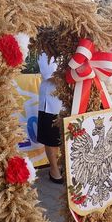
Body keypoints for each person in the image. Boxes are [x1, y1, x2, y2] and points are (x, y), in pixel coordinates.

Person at [36, 53, 64, 184]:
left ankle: (61, 165)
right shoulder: (46, 52)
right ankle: (54, 170)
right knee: (51, 140)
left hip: (67, 103)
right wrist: (75, 77)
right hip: (50, 104)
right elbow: (50, 75)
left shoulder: (69, 50)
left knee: (63, 138)